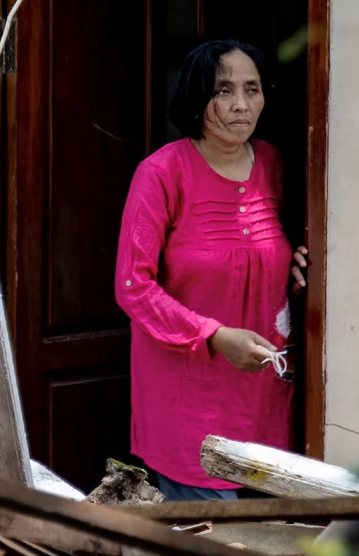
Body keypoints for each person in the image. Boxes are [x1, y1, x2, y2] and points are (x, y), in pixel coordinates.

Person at [114, 39, 309, 502]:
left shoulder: (272, 163)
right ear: (195, 97)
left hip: (263, 394)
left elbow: (268, 252)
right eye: (223, 91)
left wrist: (297, 266)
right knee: (212, 550)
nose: (241, 104)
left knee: (269, 542)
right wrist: (213, 335)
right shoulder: (161, 173)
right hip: (189, 398)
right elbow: (132, 286)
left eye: (252, 89)